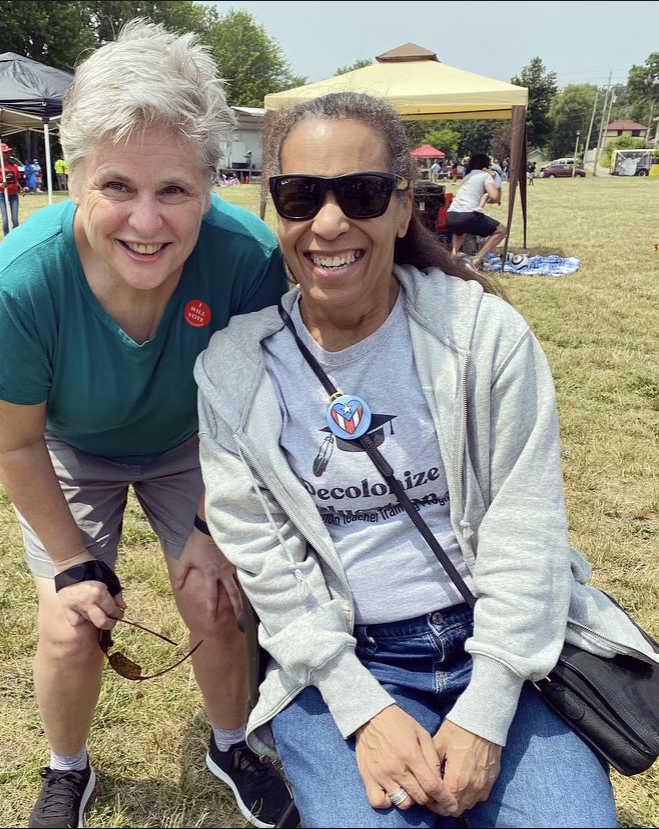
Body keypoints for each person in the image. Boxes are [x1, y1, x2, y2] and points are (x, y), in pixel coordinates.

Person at [194, 91, 659, 828]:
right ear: (274, 210)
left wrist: (487, 707)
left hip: (497, 642)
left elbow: (525, 528)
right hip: (345, 660)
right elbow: (266, 560)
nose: (328, 223)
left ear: (404, 208)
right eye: (300, 196)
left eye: (361, 193)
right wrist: (360, 706)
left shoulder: (483, 336)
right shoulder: (233, 370)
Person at [0, 19, 293, 829]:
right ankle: (66, 766)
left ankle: (232, 742)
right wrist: (74, 565)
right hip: (72, 447)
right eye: (117, 186)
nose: (146, 222)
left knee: (216, 598)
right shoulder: (21, 280)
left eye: (173, 189)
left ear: (210, 182)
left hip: (198, 443)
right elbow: (15, 440)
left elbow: (257, 411)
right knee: (71, 622)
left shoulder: (247, 260)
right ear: (74, 179)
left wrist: (210, 528)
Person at [445, 154, 507, 270]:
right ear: (486, 165)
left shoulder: (468, 176)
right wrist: (496, 181)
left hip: (451, 215)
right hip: (468, 215)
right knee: (502, 230)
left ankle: (452, 259)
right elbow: (495, 197)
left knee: (460, 231)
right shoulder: (485, 175)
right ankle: (477, 260)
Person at [0, 142, 21, 236]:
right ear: (0, 154)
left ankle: (16, 236)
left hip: (14, 195)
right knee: (5, 219)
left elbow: (16, 181)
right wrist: (1, 185)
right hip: (2, 195)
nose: (8, 154)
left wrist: (20, 188)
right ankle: (6, 237)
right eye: (5, 152)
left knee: (15, 219)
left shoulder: (14, 166)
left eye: (8, 152)